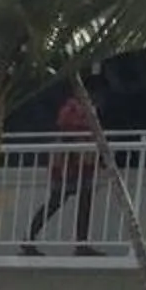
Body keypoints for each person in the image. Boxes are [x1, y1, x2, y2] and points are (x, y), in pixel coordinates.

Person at [23, 88, 102, 253]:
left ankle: (81, 244)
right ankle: (28, 238)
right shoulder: (71, 109)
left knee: (84, 202)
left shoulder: (88, 109)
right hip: (69, 161)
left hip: (83, 160)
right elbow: (66, 132)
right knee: (56, 201)